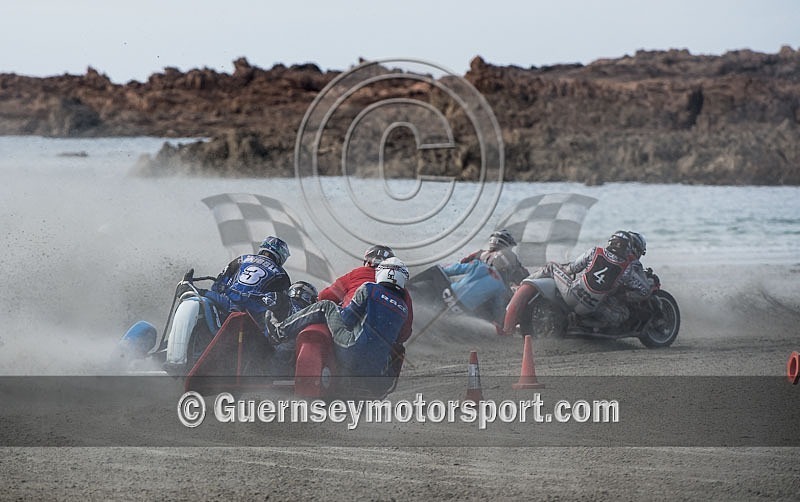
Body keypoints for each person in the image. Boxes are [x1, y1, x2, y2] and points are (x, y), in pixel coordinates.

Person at [266, 257, 413, 379]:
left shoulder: (369, 288)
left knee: (326, 306)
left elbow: (347, 319)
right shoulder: (403, 308)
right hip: (375, 368)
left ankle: (279, 332)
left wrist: (339, 309)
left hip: (350, 351)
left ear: (381, 272)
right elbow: (402, 336)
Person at [528, 230, 653, 328]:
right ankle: (589, 325)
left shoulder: (595, 251)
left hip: (571, 294)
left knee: (552, 266)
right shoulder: (627, 268)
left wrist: (565, 268)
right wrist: (625, 295)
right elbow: (644, 291)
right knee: (623, 314)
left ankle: (526, 282)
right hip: (591, 307)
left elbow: (571, 269)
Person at [204, 236, 293, 323]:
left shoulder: (242, 259)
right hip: (252, 314)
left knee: (196, 295)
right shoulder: (281, 274)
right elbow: (283, 307)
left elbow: (217, 284)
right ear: (280, 255)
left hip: (225, 301)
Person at [441, 259, 511, 332]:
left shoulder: (479, 264)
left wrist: (444, 271)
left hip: (451, 291)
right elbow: (498, 307)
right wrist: (498, 322)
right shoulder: (501, 287)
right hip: (463, 307)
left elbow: (457, 268)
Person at [318, 244, 395, 306]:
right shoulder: (398, 284)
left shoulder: (358, 273)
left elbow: (327, 296)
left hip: (350, 319)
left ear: (367, 262)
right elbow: (407, 321)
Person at [461, 229, 529, 289]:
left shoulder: (479, 253)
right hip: (497, 292)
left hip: (471, 287)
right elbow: (522, 275)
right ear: (506, 244)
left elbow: (462, 263)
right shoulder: (508, 255)